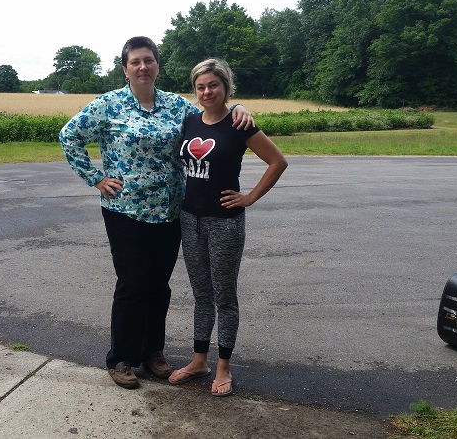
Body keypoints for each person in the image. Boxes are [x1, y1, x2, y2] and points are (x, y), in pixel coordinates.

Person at [58, 37, 256, 389]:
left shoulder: (174, 106)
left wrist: (239, 105)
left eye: (149, 60)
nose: (143, 67)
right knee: (133, 283)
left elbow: (212, 116)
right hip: (125, 210)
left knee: (159, 286)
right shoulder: (109, 104)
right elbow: (69, 135)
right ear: (125, 68)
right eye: (135, 61)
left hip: (169, 210)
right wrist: (96, 178)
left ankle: (153, 354)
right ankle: (121, 358)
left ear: (157, 65)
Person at [168, 58, 287, 397]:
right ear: (196, 90)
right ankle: (199, 361)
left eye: (213, 85)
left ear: (226, 87)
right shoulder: (189, 122)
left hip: (225, 223)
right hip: (189, 219)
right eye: (201, 86)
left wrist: (249, 198)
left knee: (225, 296)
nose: (207, 91)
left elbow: (278, 162)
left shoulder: (239, 124)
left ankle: (223, 365)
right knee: (201, 296)